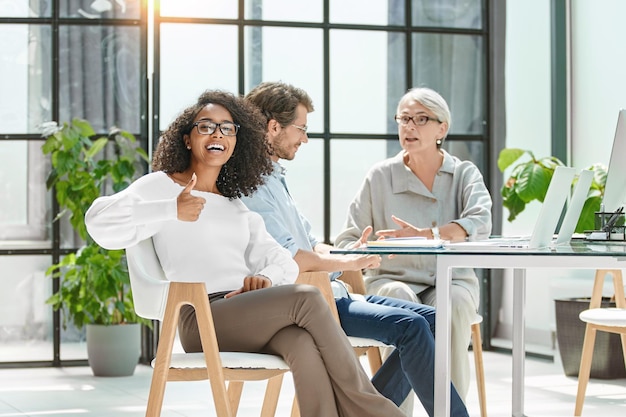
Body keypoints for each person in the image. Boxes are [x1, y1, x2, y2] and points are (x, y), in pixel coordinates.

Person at [84, 90, 404, 417]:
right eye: (206, 126)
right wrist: (170, 208)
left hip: (243, 311)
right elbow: (98, 221)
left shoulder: (235, 205)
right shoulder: (162, 186)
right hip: (200, 317)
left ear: (237, 142)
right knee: (308, 299)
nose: (217, 134)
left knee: (301, 343)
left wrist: (264, 278)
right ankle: (376, 410)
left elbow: (280, 260)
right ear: (187, 138)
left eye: (227, 128)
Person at [242, 81, 469, 417]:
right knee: (412, 327)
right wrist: (350, 259)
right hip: (310, 302)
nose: (304, 138)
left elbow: (311, 243)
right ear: (274, 127)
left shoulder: (274, 178)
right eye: (301, 129)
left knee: (436, 321)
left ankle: (366, 409)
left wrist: (351, 251)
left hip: (333, 292)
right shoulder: (252, 188)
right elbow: (293, 258)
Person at [335, 86, 493, 400]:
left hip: (451, 279)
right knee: (399, 297)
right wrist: (366, 251)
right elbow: (348, 239)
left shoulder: (463, 174)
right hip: (392, 279)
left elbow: (479, 222)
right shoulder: (380, 177)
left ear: (442, 128)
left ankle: (449, 409)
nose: (410, 126)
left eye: (421, 119)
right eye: (404, 118)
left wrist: (427, 236)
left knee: (456, 304)